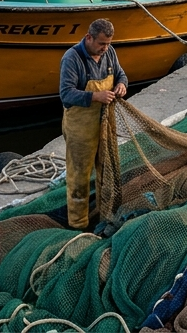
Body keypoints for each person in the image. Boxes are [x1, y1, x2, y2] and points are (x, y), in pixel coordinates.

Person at [58, 18, 127, 230]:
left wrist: (122, 85)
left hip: (105, 125)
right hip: (80, 129)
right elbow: (66, 94)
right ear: (89, 37)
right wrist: (95, 96)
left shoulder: (109, 52)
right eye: (101, 43)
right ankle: (78, 223)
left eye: (108, 43)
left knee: (107, 170)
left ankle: (104, 213)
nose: (105, 48)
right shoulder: (72, 58)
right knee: (79, 176)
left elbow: (121, 74)